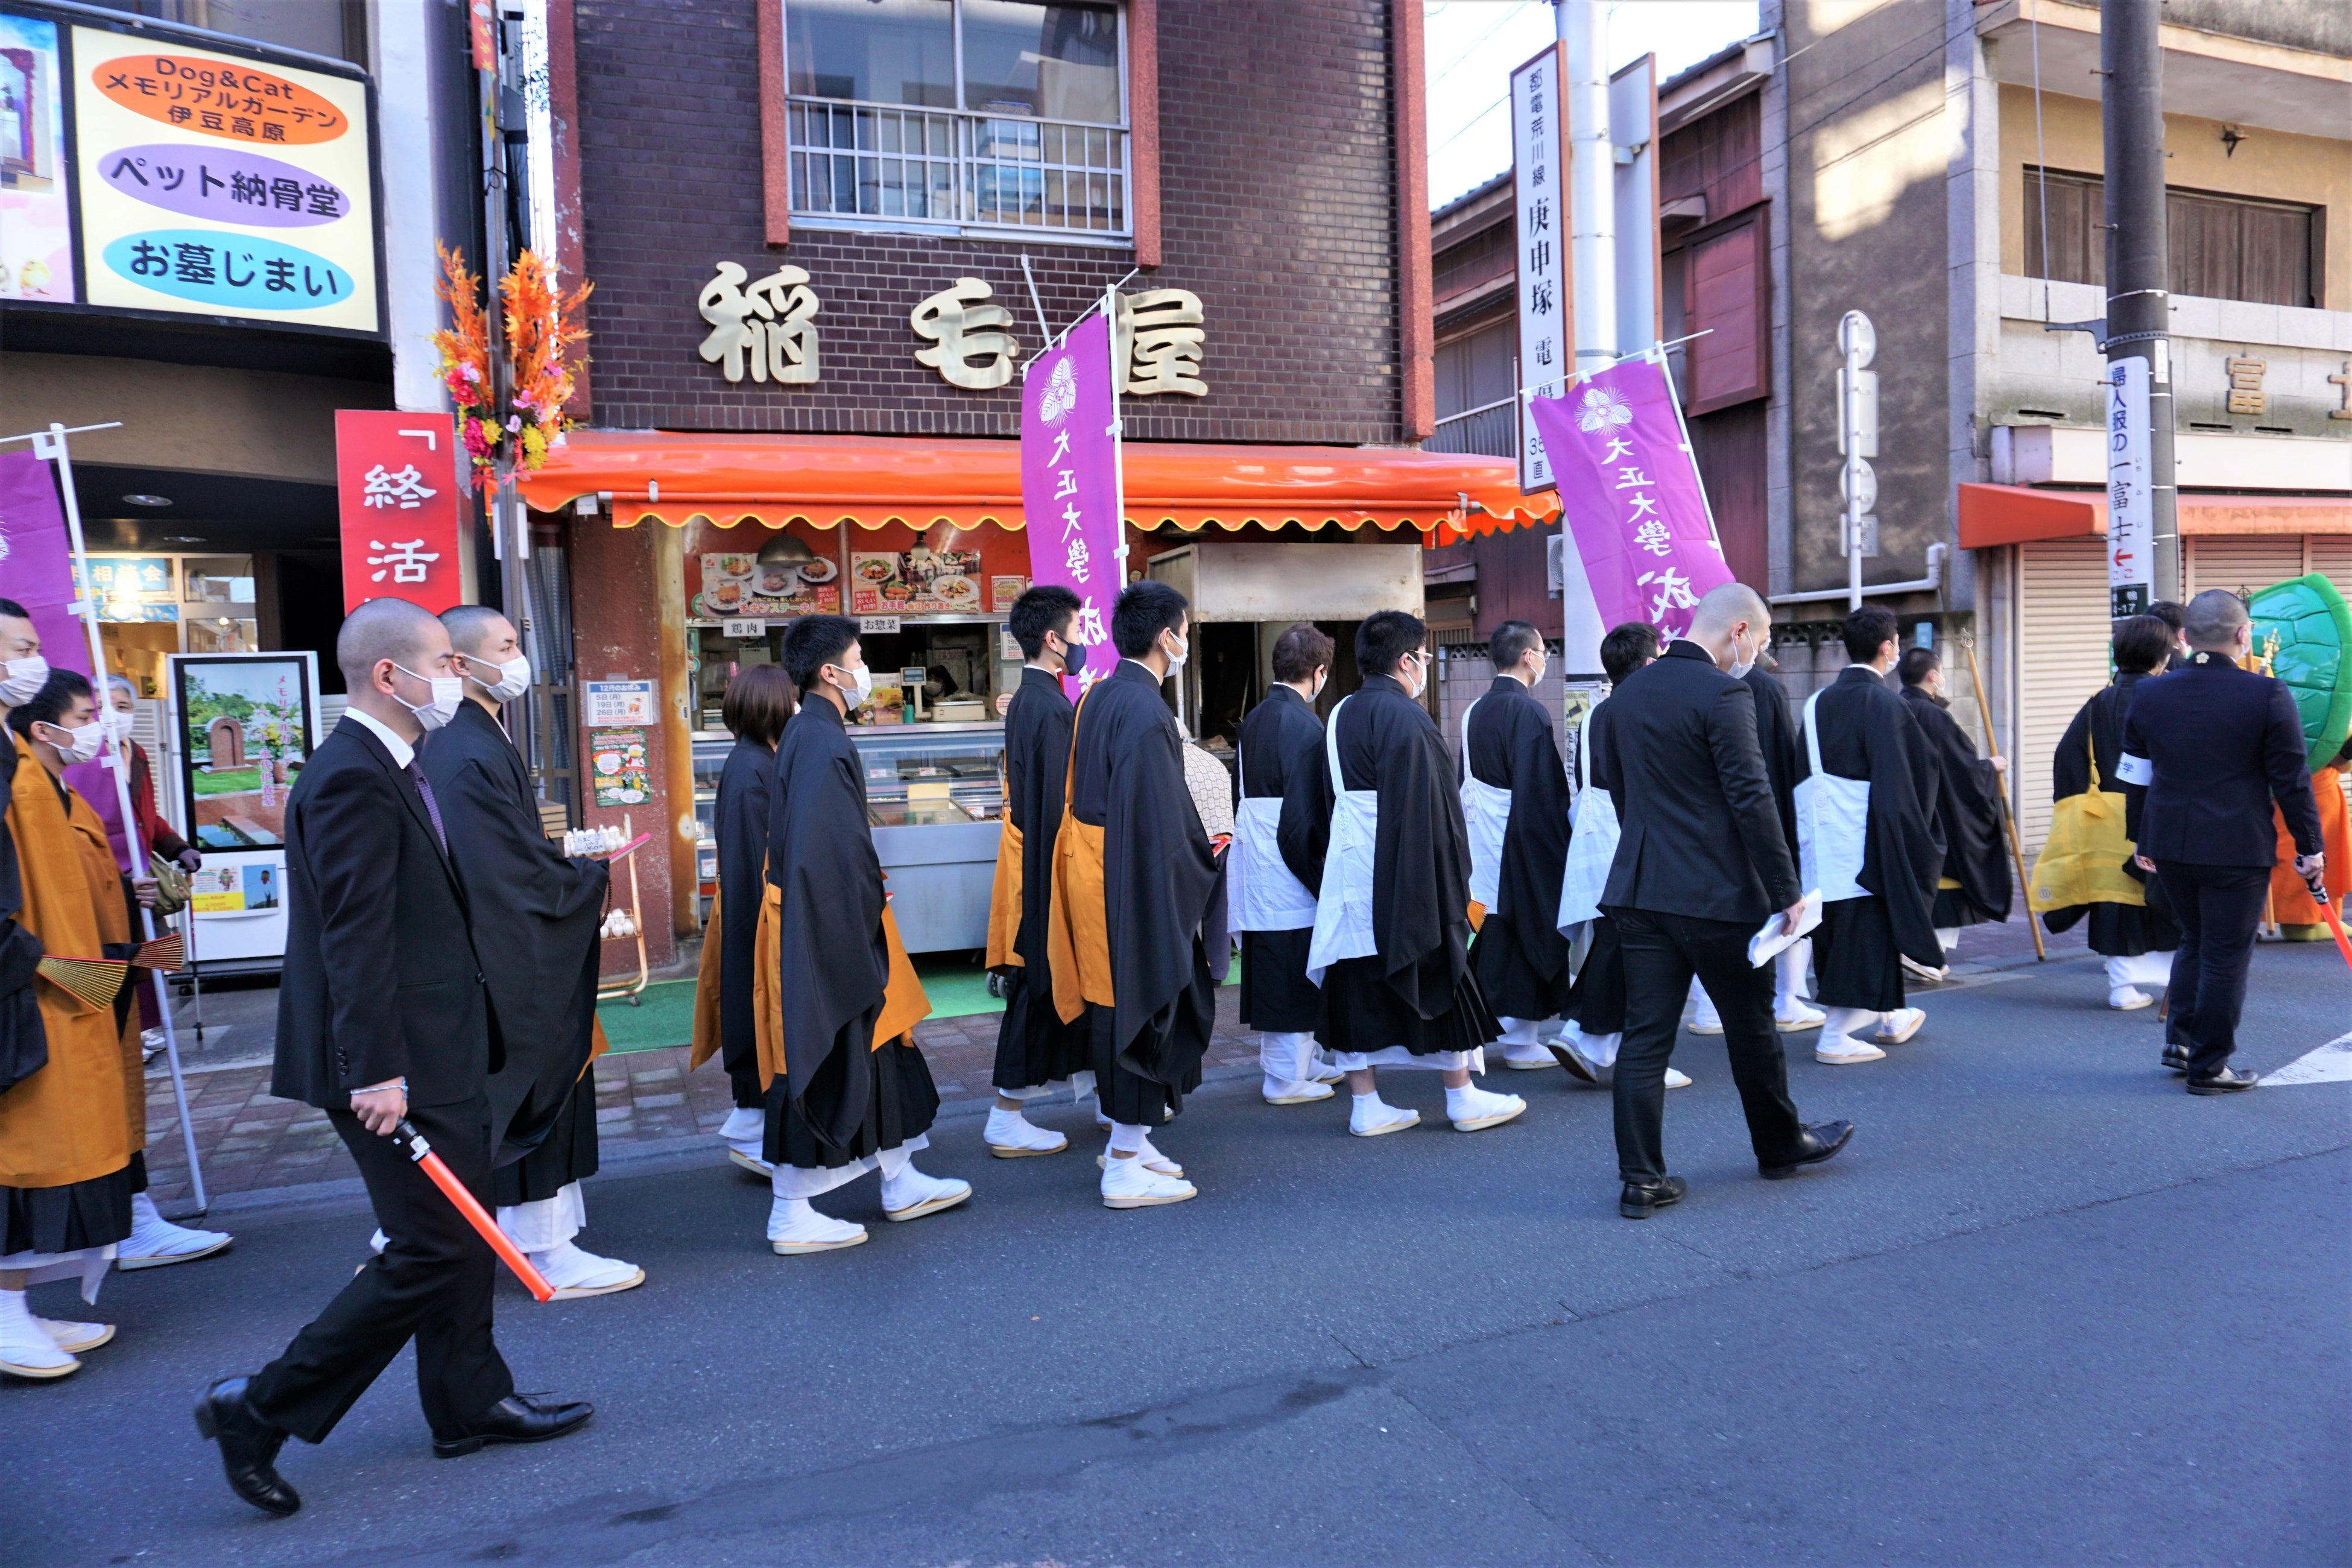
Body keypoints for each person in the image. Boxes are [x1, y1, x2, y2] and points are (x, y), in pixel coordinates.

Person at [197, 599, 591, 1518]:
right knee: (431, 1246)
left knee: (461, 1235)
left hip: (439, 1044)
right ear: (389, 675)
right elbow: (354, 934)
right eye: (447, 662)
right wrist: (375, 1069)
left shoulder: (398, 765)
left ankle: (468, 1402)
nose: (458, 677)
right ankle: (259, 1409)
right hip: (390, 1060)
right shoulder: (352, 776)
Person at [1590, 583, 1851, 1219]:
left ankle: (1641, 1178)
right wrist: (1787, 891)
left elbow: (1622, 797)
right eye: (1758, 643)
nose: (1756, 656)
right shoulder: (1724, 692)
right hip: (1716, 893)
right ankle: (1779, 1145)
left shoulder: (1619, 701)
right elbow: (1751, 797)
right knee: (1751, 1027)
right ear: (1738, 632)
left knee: (1646, 1036)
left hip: (1641, 886)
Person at [426, 605, 640, 1300]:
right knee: (535, 1086)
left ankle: (525, 1232)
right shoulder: (462, 748)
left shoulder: (476, 735)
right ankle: (547, 1246)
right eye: (508, 646)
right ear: (459, 663)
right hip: (508, 952)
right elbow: (501, 869)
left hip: (503, 942)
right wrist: (583, 878)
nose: (521, 659)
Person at [760, 615, 967, 1250]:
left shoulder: (811, 731)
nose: (864, 669)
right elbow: (825, 849)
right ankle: (792, 1208)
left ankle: (900, 1178)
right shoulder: (820, 739)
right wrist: (854, 914)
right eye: (857, 656)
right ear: (830, 670)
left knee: (883, 1050)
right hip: (834, 925)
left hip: (843, 910)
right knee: (832, 1052)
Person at [1283, 610, 1523, 1137]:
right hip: (1409, 863)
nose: (1425, 667)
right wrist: (1454, 879)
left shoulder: (1339, 712)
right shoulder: (1410, 719)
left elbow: (1312, 805)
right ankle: (1461, 1095)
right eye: (1424, 658)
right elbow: (1436, 809)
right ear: (1407, 660)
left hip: (1350, 868)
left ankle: (1365, 1105)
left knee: (1353, 982)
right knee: (1440, 966)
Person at [1046, 581, 1223, 1206]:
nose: (1187, 638)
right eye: (1185, 627)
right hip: (1133, 879)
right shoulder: (1147, 713)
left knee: (1114, 1005)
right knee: (1144, 1004)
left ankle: (1135, 1136)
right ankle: (1122, 1159)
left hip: (1096, 874)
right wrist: (1203, 862)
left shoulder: (1098, 695)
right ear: (1165, 637)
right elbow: (1159, 824)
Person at [2119, 590, 2325, 1094]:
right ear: (2242, 635)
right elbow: (2291, 780)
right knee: (2226, 955)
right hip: (2237, 844)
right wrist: (2310, 847)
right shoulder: (2267, 695)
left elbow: (2135, 777)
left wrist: (2141, 837)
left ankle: (2182, 1041)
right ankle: (2210, 1066)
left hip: (2168, 842)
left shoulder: (2149, 694)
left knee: (2196, 939)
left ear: (2185, 638)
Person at [60, 673, 233, 1269]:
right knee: (109, 1065)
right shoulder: (64, 772)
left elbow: (143, 822)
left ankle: (132, 1215)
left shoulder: (130, 754)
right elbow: (84, 843)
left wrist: (177, 844)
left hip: (129, 927)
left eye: (125, 704)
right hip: (95, 933)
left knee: (129, 1057)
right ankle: (124, 1219)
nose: (113, 716)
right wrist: (118, 877)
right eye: (98, 707)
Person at [1, 670, 144, 1379]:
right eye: (18, 648)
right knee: (26, 1162)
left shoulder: (41, 782)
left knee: (56, 1159)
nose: (101, 724)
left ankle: (14, 1307)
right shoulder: (17, 780)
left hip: (63, 986)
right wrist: (68, 971)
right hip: (34, 993)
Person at [1804, 605, 1945, 1066]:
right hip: (1867, 838)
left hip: (1819, 838)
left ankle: (1893, 1014)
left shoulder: (1813, 704)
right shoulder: (1886, 704)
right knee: (1866, 930)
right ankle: (1836, 1034)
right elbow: (1908, 781)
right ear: (1888, 648)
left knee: (1841, 929)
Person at [981, 585, 1093, 1154]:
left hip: (1034, 864)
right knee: (1040, 985)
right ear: (1053, 640)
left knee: (1050, 986)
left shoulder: (1029, 698)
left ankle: (1103, 1094)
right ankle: (1006, 1113)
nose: (1082, 641)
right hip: (1049, 870)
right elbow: (1056, 804)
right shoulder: (1052, 707)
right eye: (1077, 631)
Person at [1554, 622, 1687, 1092]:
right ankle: (1608, 1044)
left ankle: (1588, 1036)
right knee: (1642, 948)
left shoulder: (1594, 714)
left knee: (1617, 940)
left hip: (1594, 836)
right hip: (1629, 837)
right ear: (1651, 663)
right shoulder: (1646, 709)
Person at [2039, 616, 2180, 1011]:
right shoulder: (2166, 697)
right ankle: (2176, 979)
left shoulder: (2099, 700)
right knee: (2164, 900)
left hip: (2105, 817)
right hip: (2156, 814)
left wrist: (2073, 803)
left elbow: (2067, 755)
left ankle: (2122, 987)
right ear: (2161, 657)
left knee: (2114, 902)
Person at [1689, 636, 1827, 1037]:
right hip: (1760, 818)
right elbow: (1780, 763)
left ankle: (1709, 1010)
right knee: (1783, 910)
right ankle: (1786, 1001)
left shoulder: (1700, 684)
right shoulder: (1764, 689)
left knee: (1713, 916)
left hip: (1707, 823)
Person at [690, 663, 794, 1172]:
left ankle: (752, 1125)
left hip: (745, 914)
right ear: (774, 708)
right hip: (757, 917)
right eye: (793, 701)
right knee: (758, 1016)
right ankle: (755, 1130)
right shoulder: (755, 771)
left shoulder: (749, 761)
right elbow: (760, 861)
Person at [1461, 621, 1575, 1072]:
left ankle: (1483, 1036)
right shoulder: (1529, 714)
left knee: (1493, 933)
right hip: (1521, 841)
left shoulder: (1473, 710)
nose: (1545, 658)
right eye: (1543, 651)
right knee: (1532, 932)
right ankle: (1522, 1042)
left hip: (1481, 841)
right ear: (1529, 657)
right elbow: (1541, 791)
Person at [1239, 622, 1339, 1105]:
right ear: (1319, 673)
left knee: (1278, 961)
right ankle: (1284, 1077)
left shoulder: (1255, 716)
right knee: (1294, 964)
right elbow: (1304, 815)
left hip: (1257, 856)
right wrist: (1321, 876)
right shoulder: (1305, 724)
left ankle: (1302, 1061)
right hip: (1288, 858)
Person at [1898, 646, 2012, 959]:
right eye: (1942, 673)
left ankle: (1920, 953)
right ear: (1934, 676)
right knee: (1944, 884)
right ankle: (1925, 955)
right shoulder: (1934, 717)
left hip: (1901, 814)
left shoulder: (1894, 707)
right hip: (1938, 817)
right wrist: (1990, 767)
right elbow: (1962, 771)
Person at [2269, 736, 2350, 943]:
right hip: (2315, 790)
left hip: (2271, 789)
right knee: (2305, 858)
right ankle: (2305, 919)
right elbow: (2341, 761)